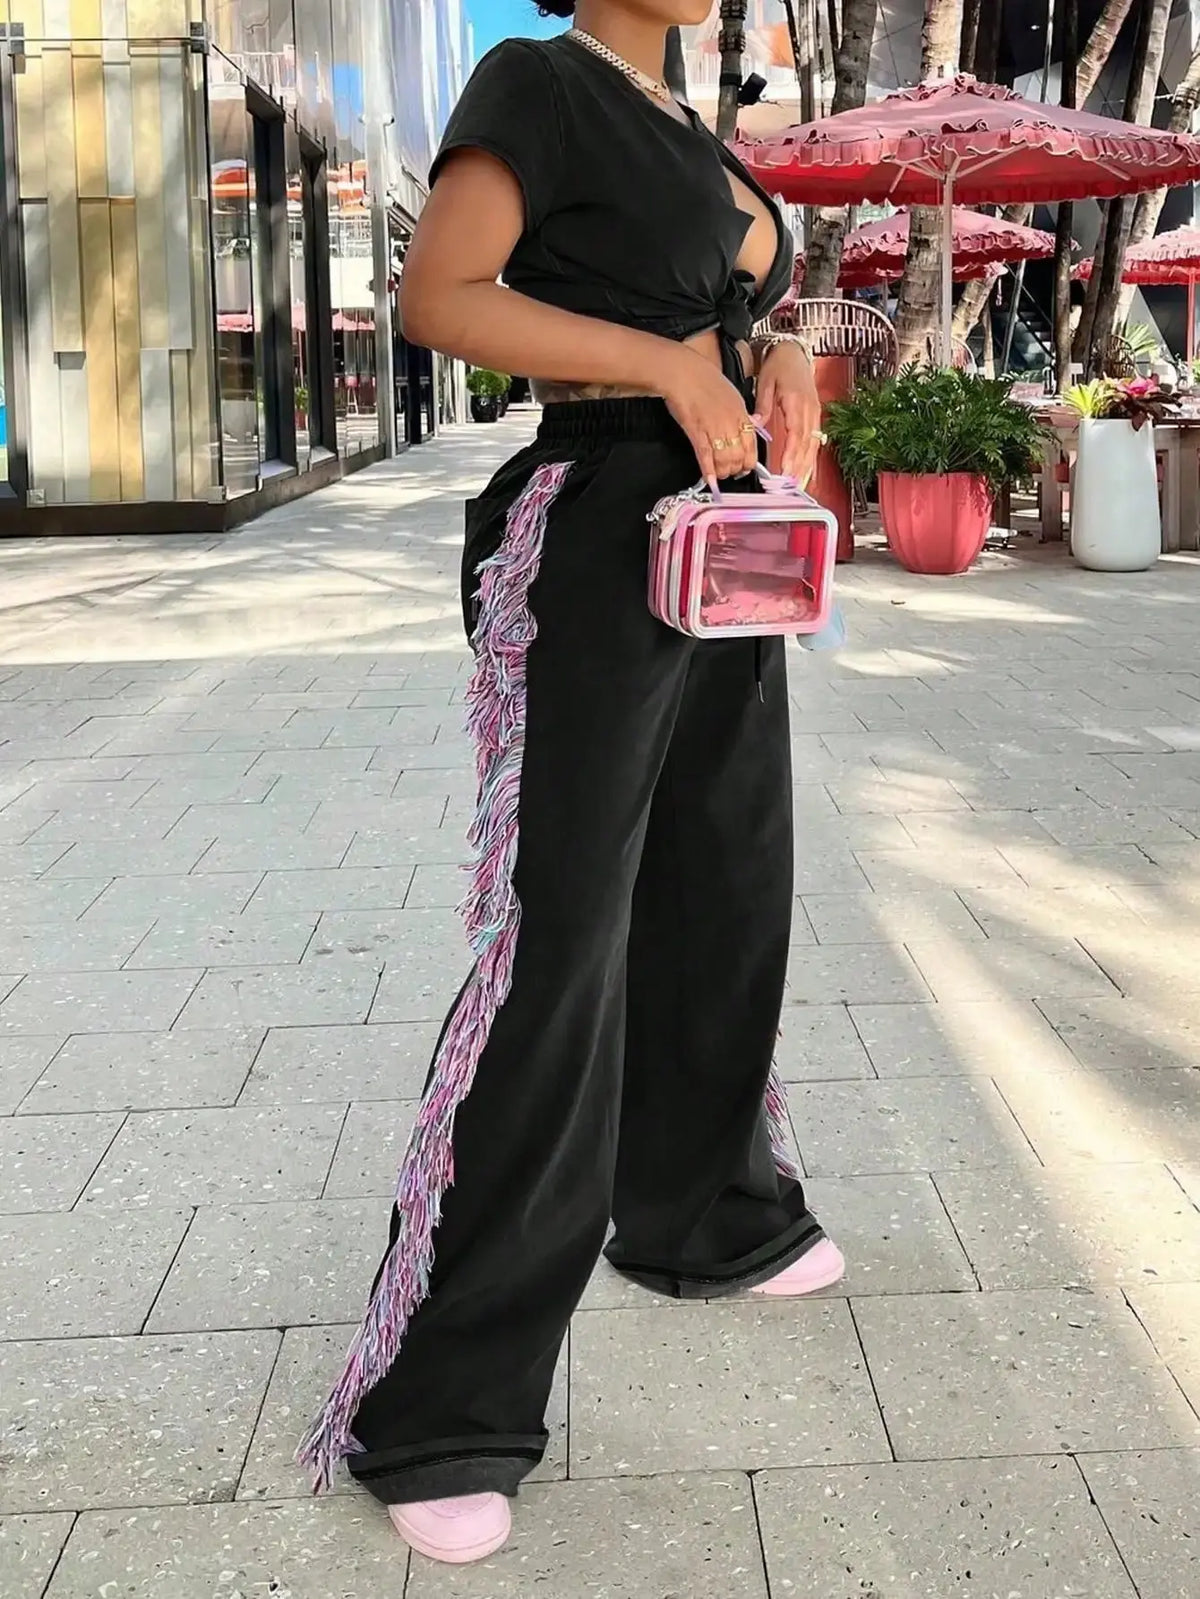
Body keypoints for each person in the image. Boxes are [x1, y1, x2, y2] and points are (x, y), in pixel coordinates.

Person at [299, 0, 844, 1565]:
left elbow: (717, 299)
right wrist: (664, 364)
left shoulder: (687, 123)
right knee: (558, 945)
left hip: (729, 540)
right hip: (595, 531)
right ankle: (444, 1404)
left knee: (726, 883)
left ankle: (703, 1215)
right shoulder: (536, 82)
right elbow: (440, 299)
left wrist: (772, 351)